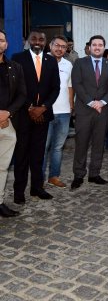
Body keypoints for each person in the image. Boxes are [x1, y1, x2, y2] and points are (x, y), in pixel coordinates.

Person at [12, 30, 60, 204]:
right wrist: (31, 108)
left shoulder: (50, 60)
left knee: (39, 154)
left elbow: (56, 88)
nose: (37, 42)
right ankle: (19, 192)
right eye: (34, 38)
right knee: (22, 154)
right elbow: (16, 87)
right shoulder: (18, 58)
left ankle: (37, 188)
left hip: (43, 115)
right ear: (28, 41)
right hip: (23, 115)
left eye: (41, 39)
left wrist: (43, 108)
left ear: (45, 41)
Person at [70, 35, 108, 190]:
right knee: (81, 143)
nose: (97, 47)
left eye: (100, 45)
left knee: (99, 144)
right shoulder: (79, 63)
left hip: (103, 111)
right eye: (94, 44)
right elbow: (77, 84)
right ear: (89, 47)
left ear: (104, 47)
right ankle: (78, 175)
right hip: (84, 109)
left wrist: (102, 102)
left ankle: (94, 174)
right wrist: (91, 102)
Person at [0, 29, 26, 216]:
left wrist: (7, 113)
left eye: (1, 40)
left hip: (7, 125)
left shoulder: (15, 67)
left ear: (6, 45)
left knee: (2, 167)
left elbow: (22, 95)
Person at [42, 35, 74, 188]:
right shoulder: (41, 61)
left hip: (64, 112)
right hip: (45, 111)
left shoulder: (68, 64)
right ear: (50, 45)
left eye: (63, 46)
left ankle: (54, 176)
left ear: (66, 49)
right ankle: (39, 179)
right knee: (43, 146)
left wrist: (71, 104)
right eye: (57, 45)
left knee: (58, 147)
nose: (60, 49)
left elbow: (69, 86)